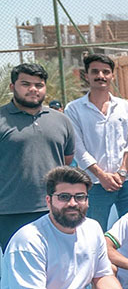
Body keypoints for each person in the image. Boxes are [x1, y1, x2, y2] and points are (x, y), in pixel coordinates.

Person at [0, 63, 75, 250]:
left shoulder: (62, 120)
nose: (33, 89)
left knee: (59, 262)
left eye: (39, 85)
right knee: (18, 263)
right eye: (26, 84)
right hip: (10, 211)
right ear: (12, 87)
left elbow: (66, 159)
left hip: (55, 208)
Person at [65, 53, 128, 231]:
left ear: (112, 75)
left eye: (106, 72)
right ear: (86, 75)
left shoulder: (124, 106)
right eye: (95, 72)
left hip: (127, 182)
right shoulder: (73, 109)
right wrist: (101, 176)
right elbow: (78, 149)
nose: (101, 76)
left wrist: (122, 173)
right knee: (94, 232)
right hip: (94, 184)